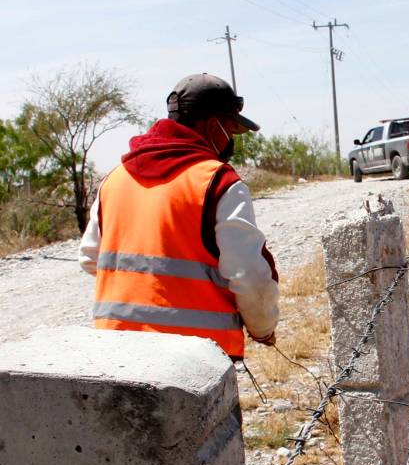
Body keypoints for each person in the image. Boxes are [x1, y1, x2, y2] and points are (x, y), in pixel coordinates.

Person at [80, 73, 279, 359]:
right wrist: (263, 327)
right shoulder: (218, 182)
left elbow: (90, 258)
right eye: (231, 130)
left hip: (115, 351)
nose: (231, 142)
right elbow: (248, 273)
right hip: (196, 358)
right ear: (213, 126)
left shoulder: (114, 179)